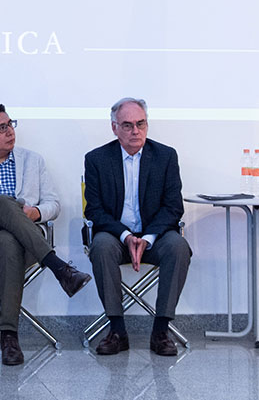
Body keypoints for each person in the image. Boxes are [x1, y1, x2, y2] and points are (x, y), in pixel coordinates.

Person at [0, 103, 92, 365]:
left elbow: (53, 204)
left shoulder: (33, 160)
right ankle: (59, 267)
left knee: (7, 239)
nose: (10, 132)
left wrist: (34, 213)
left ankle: (9, 338)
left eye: (10, 124)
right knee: (3, 202)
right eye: (1, 128)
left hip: (23, 242)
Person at [84, 97, 191, 357]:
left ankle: (161, 331)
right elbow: (94, 210)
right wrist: (126, 236)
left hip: (155, 238)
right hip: (116, 237)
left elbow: (173, 207)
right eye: (128, 125)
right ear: (114, 128)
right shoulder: (97, 159)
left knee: (178, 247)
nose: (135, 131)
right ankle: (117, 330)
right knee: (101, 246)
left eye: (140, 124)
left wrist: (148, 238)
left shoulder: (165, 156)